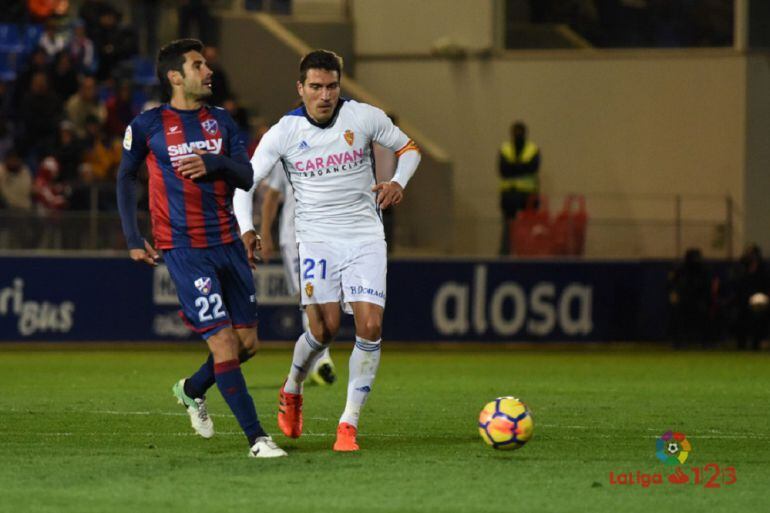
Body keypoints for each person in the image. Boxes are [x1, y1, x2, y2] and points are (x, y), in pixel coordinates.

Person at [233, 49, 422, 452]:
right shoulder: (284, 132)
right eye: (316, 87)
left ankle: (348, 424)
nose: (325, 95)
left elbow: (410, 148)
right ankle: (292, 386)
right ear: (300, 88)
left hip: (365, 236)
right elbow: (244, 183)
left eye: (332, 86)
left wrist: (399, 182)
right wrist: (247, 228)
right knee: (324, 329)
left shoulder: (364, 117)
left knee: (370, 326)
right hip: (316, 240)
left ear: (340, 86)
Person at [116, 38, 286, 458]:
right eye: (198, 66)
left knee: (249, 345)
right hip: (184, 249)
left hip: (227, 242)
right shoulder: (148, 126)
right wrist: (133, 238)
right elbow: (124, 178)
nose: (208, 72)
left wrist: (216, 164)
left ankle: (191, 389)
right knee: (225, 343)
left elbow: (246, 176)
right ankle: (257, 439)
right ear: (176, 77)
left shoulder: (224, 121)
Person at [260, 163, 337, 386]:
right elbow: (272, 197)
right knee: (308, 296)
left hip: (325, 236)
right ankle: (322, 360)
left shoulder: (332, 152)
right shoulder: (287, 153)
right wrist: (265, 234)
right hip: (293, 238)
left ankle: (314, 360)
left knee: (323, 297)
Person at [499, 120, 540, 255]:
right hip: (509, 196)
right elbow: (503, 170)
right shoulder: (505, 149)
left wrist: (514, 167)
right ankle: (505, 256)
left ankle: (527, 254)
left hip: (527, 198)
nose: (517, 135)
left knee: (528, 229)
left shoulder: (533, 149)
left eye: (520, 132)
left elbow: (532, 168)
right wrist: (522, 167)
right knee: (507, 229)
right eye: (515, 132)